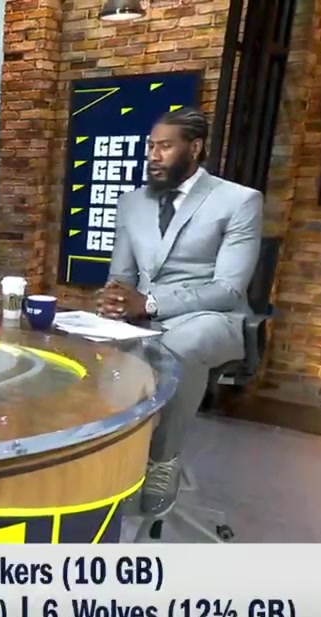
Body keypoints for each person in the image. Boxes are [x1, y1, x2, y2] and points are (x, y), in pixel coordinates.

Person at [97, 108, 262, 516]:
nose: (153, 155)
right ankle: (108, 454)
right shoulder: (132, 203)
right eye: (151, 146)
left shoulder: (238, 200)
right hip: (144, 318)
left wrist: (150, 303)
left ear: (195, 147)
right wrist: (114, 300)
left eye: (165, 147)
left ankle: (162, 460)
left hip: (212, 318)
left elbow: (228, 290)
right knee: (89, 346)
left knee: (177, 348)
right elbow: (121, 276)